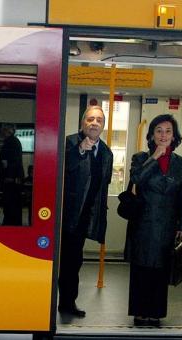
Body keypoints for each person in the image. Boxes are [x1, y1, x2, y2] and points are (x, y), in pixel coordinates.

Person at [124, 114, 182, 327]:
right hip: (143, 223)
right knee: (141, 269)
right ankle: (140, 312)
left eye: (168, 131)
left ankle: (156, 312)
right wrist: (154, 157)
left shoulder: (180, 164)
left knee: (161, 271)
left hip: (167, 226)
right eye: (159, 131)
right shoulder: (140, 158)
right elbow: (137, 179)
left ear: (174, 136)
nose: (163, 135)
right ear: (152, 135)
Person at [58, 104, 114, 317]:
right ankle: (55, 303)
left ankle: (67, 303)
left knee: (74, 262)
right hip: (64, 216)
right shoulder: (69, 143)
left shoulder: (107, 153)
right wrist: (80, 150)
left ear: (103, 125)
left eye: (99, 120)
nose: (94, 123)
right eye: (90, 119)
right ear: (82, 123)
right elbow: (62, 170)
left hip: (86, 218)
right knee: (63, 261)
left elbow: (103, 186)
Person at [0, 123, 25, 226]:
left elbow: (13, 161)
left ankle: (10, 225)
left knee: (10, 204)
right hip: (12, 179)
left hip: (10, 180)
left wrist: (9, 176)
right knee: (13, 205)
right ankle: (12, 223)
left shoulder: (11, 142)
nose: (1, 132)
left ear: (8, 130)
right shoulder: (13, 141)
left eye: (3, 129)